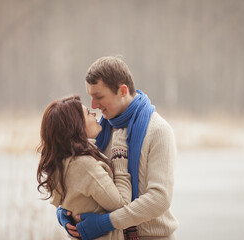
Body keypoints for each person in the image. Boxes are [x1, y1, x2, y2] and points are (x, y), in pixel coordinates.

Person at [58, 56, 179, 239]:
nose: (93, 105)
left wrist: (104, 223)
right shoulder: (99, 131)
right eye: (91, 97)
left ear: (123, 91)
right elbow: (86, 181)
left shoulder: (158, 131)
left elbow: (159, 199)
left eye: (99, 97)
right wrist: (66, 212)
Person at [37, 96, 136, 239]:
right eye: (88, 113)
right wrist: (120, 154)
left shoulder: (61, 164)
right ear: (76, 126)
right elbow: (121, 205)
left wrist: (61, 213)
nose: (94, 113)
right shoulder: (83, 165)